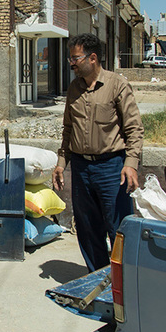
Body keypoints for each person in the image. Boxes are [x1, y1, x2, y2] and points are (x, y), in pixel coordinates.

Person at [52, 33, 143, 272]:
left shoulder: (116, 85)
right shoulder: (74, 88)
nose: (71, 63)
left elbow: (134, 127)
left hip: (112, 167)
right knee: (87, 227)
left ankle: (122, 283)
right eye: (70, 58)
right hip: (81, 168)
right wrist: (62, 163)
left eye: (76, 58)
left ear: (92, 58)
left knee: (118, 228)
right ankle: (98, 278)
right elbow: (68, 128)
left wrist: (131, 163)